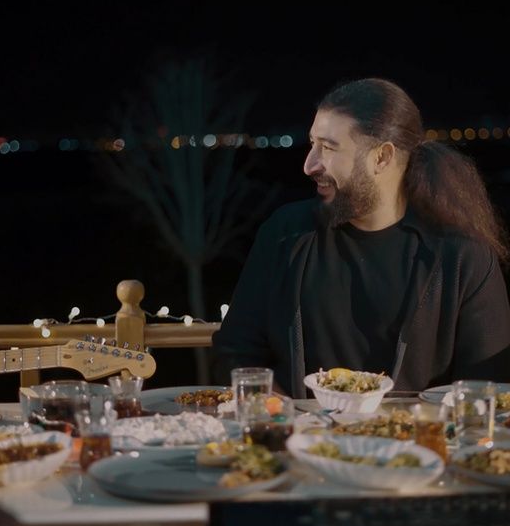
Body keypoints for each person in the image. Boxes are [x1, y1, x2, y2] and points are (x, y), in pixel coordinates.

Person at [211, 78, 510, 397]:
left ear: (382, 157)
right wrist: (279, 409)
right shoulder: (285, 234)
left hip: (419, 430)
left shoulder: (462, 257)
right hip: (297, 429)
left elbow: (485, 391)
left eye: (328, 147)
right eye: (312, 144)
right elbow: (234, 352)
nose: (309, 165)